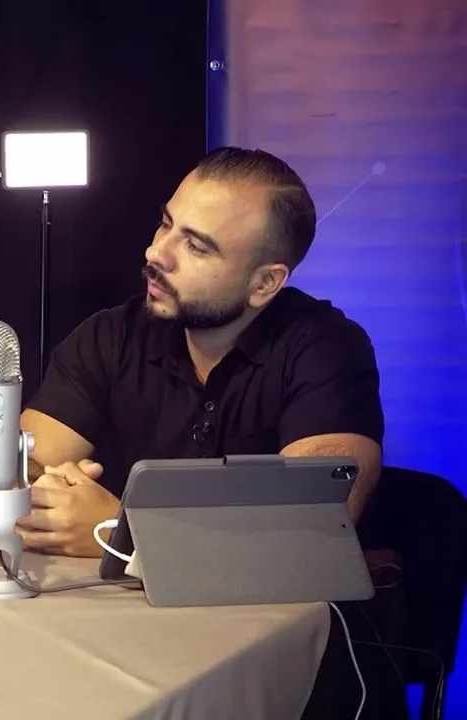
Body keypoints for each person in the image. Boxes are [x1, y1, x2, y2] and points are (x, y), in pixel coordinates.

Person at [19, 147, 383, 557]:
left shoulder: (326, 351)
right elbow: (16, 474)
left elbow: (310, 529)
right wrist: (50, 492)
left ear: (264, 284)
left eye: (196, 246)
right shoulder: (110, 336)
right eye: (166, 224)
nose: (156, 253)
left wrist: (121, 532)